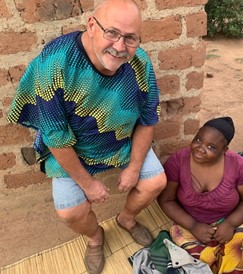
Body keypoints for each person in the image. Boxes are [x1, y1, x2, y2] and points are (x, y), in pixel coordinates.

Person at [7, 0, 167, 273]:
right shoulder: (54, 62)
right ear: (92, 25)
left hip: (121, 140)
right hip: (72, 148)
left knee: (155, 182)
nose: (119, 46)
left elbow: (148, 118)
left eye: (130, 38)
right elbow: (55, 136)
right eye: (112, 33)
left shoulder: (139, 61)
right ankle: (95, 238)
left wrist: (134, 167)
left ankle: (126, 219)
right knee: (70, 211)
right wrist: (89, 184)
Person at [158, 117, 243, 273]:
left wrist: (230, 224)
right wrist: (193, 225)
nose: (200, 148)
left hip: (232, 221)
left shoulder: (240, 167)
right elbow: (166, 200)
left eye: (211, 147)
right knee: (194, 264)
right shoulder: (178, 161)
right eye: (198, 139)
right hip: (189, 225)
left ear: (224, 150)